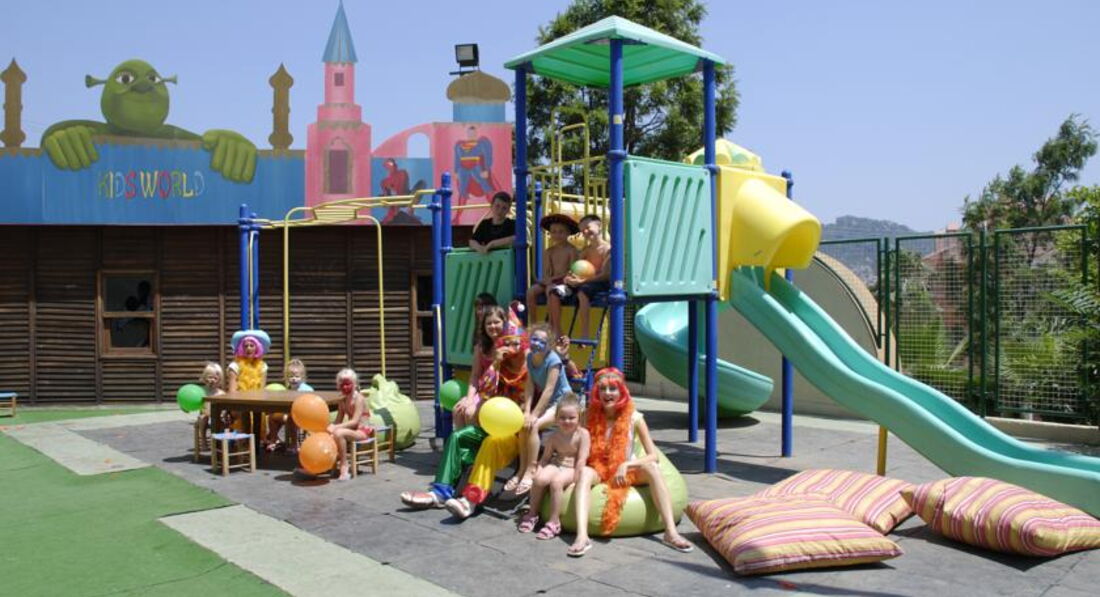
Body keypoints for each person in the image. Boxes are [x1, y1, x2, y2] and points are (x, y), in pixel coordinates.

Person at [401, 304, 528, 509]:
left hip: (511, 433)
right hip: (491, 424)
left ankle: (470, 499)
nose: (513, 349)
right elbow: (485, 390)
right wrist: (495, 363)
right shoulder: (499, 364)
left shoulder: (529, 370)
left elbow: (533, 401)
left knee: (489, 444)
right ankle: (440, 492)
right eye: (508, 343)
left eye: (517, 344)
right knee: (457, 436)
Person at [566, 368, 693, 557]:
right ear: (597, 392)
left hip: (626, 470)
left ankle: (671, 533)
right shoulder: (587, 415)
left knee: (652, 467)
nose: (607, 393)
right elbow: (567, 429)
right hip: (598, 468)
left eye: (613, 389)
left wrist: (626, 465)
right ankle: (582, 536)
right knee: (584, 473)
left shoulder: (635, 418)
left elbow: (653, 455)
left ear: (622, 392)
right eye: (603, 389)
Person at [508, 323, 572, 495]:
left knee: (534, 425)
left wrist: (534, 415)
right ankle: (521, 469)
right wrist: (527, 412)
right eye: (534, 339)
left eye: (542, 341)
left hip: (562, 402)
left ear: (549, 345)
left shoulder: (553, 361)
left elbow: (549, 390)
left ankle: (531, 470)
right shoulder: (530, 357)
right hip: (549, 402)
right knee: (523, 424)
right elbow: (529, 386)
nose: (537, 343)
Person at [517, 393, 589, 540]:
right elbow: (545, 458)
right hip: (557, 464)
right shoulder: (554, 436)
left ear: (579, 418)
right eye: (562, 418)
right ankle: (532, 513)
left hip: (572, 467)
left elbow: (582, 459)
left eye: (571, 418)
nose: (567, 421)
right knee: (539, 479)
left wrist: (577, 478)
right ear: (556, 418)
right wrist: (538, 470)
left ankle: (554, 521)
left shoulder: (583, 435)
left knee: (556, 482)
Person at [549, 214, 610, 339]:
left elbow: (605, 275)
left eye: (588, 228)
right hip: (583, 282)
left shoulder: (608, 249)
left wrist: (582, 281)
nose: (585, 232)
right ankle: (556, 329)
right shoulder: (586, 250)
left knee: (582, 293)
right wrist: (569, 278)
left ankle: (585, 333)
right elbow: (574, 269)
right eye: (582, 231)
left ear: (599, 226)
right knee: (554, 292)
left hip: (599, 284)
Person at [528, 213, 580, 338]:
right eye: (554, 232)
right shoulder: (549, 251)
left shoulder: (572, 250)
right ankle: (534, 324)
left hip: (565, 282)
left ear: (568, 233)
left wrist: (551, 280)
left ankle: (555, 327)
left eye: (561, 232)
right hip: (552, 281)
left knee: (551, 290)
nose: (557, 235)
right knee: (531, 291)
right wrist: (546, 280)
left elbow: (572, 271)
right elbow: (546, 272)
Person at [452, 293, 499, 429]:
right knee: (458, 410)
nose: (492, 326)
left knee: (470, 413)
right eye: (489, 323)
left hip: (499, 390)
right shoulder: (480, 344)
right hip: (484, 389)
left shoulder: (506, 343)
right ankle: (465, 443)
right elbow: (475, 374)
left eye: (496, 322)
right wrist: (469, 398)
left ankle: (477, 442)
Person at [329, 368, 373, 481]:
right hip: (352, 431)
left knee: (338, 433)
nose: (345, 387)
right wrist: (329, 428)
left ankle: (344, 465)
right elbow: (338, 420)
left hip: (363, 431)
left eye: (348, 384)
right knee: (330, 434)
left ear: (355, 384)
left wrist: (335, 427)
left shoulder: (359, 399)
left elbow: (355, 421)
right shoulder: (342, 400)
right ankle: (323, 464)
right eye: (342, 384)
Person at [225, 330, 270, 431]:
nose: (248, 348)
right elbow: (232, 392)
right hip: (238, 404)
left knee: (259, 412)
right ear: (241, 348)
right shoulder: (234, 366)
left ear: (257, 348)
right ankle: (245, 438)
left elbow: (261, 390)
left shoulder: (263, 366)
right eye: (245, 346)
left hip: (256, 403)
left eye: (252, 345)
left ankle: (257, 438)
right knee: (245, 413)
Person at [265, 359, 312, 453]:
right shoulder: (289, 389)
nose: (294, 379)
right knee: (273, 417)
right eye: (291, 376)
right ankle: (274, 440)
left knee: (291, 418)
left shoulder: (305, 389)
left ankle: (294, 444)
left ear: (302, 377)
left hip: (305, 416)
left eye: (297, 376)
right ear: (286, 377)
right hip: (291, 414)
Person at [195, 362, 225, 442]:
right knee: (203, 418)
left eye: (215, 378)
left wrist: (224, 413)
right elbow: (193, 402)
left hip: (217, 416)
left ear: (219, 380)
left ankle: (218, 441)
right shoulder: (201, 391)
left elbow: (224, 407)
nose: (212, 380)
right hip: (204, 416)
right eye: (210, 377)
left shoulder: (221, 393)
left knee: (222, 421)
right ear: (205, 378)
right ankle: (203, 440)